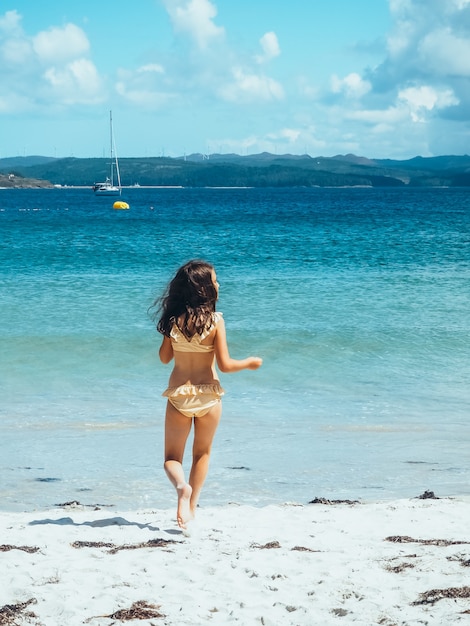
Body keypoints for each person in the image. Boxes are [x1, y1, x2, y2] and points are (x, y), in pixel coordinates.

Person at [151, 260, 262, 529]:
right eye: (215, 280)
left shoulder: (173, 321)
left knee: (171, 458)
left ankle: (181, 487)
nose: (218, 283)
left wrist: (173, 337)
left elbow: (164, 359)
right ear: (205, 289)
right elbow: (225, 365)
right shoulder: (216, 321)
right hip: (209, 396)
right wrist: (248, 362)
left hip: (179, 396)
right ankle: (191, 508)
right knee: (202, 453)